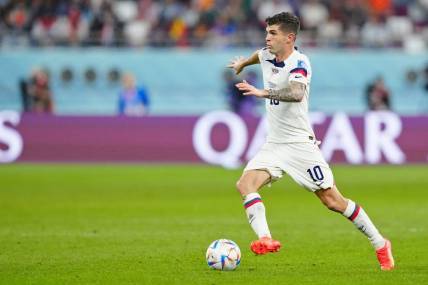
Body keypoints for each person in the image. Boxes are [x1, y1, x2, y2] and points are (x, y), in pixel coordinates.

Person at [227, 12, 394, 271]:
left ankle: (380, 243)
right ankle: (265, 238)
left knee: (333, 201)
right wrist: (241, 65)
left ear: (289, 37)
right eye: (267, 32)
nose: (266, 37)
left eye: (273, 33)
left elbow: (296, 93)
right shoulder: (265, 54)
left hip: (300, 146)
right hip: (274, 144)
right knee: (245, 184)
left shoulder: (300, 62)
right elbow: (256, 56)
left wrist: (263, 92)